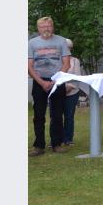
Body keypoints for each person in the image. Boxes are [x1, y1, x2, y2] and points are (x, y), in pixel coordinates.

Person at [28, 16, 71, 156]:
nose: (46, 29)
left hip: (57, 82)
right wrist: (41, 82)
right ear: (38, 28)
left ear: (53, 27)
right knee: (38, 115)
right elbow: (29, 66)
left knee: (57, 115)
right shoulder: (31, 43)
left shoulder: (61, 41)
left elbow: (66, 64)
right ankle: (38, 146)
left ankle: (56, 144)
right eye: (43, 26)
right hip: (39, 81)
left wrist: (54, 81)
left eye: (49, 26)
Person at [60, 38, 84, 146]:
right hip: (57, 91)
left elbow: (77, 78)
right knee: (56, 117)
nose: (66, 50)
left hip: (72, 92)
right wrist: (61, 88)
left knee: (69, 117)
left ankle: (68, 139)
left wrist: (68, 87)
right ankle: (56, 139)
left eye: (68, 48)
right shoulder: (55, 60)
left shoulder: (75, 61)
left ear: (70, 49)